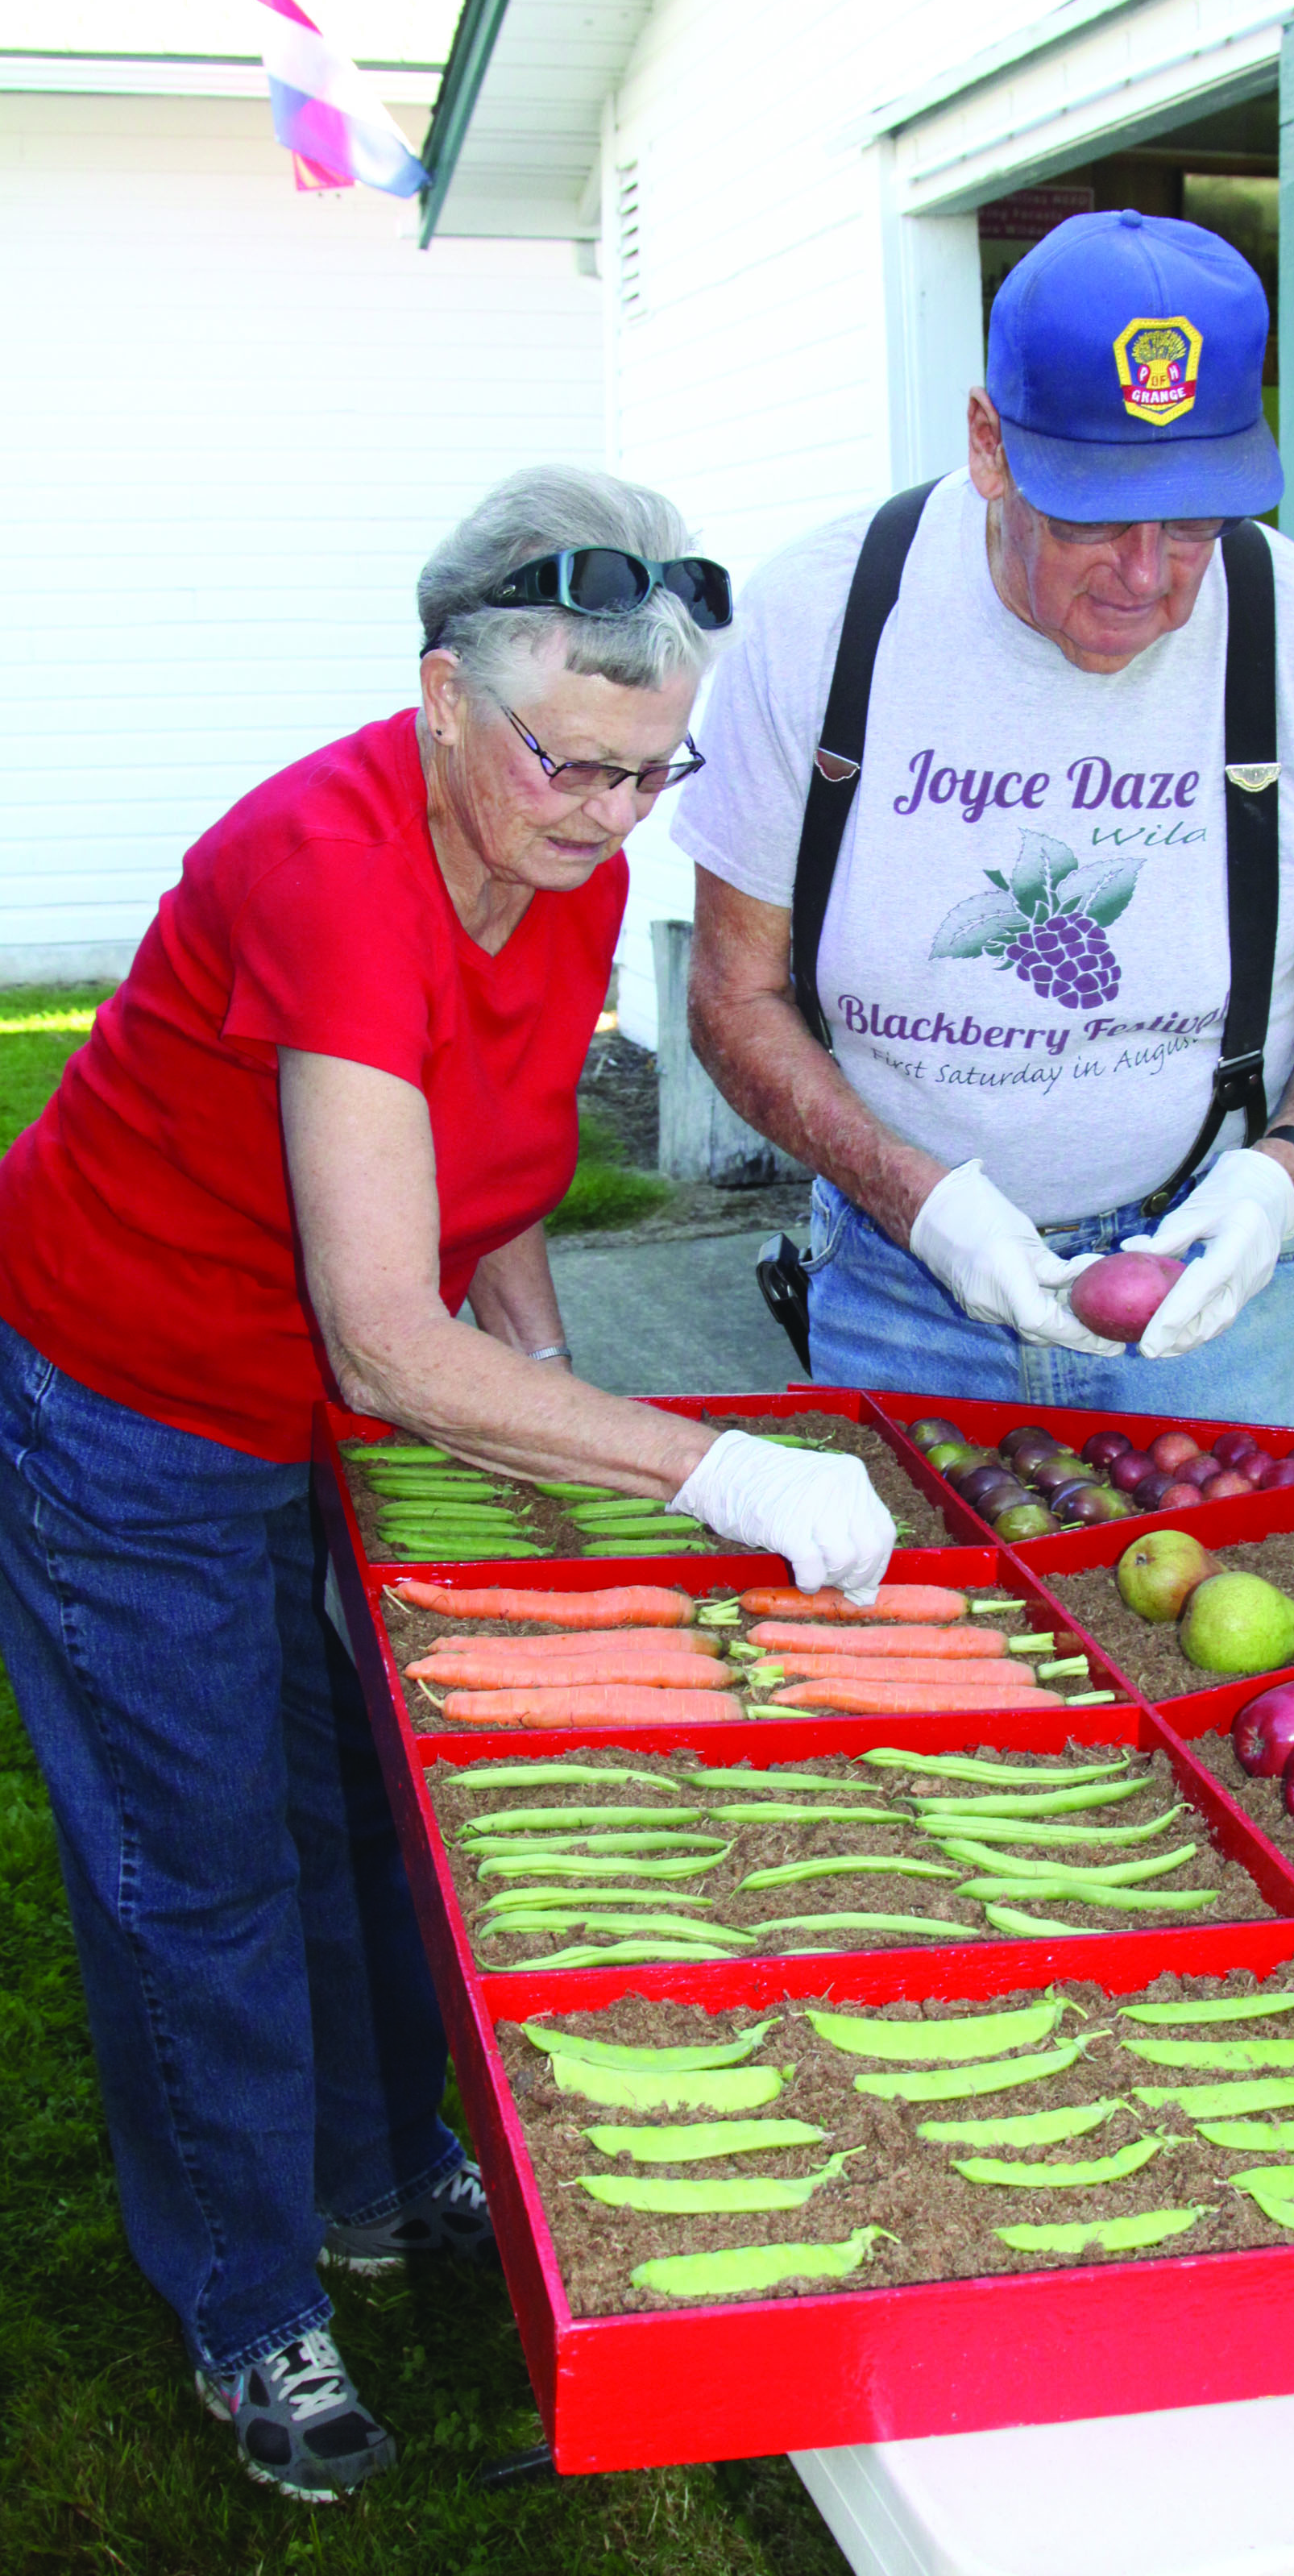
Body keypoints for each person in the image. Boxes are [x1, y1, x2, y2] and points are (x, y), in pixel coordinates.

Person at [0, 467, 892, 2501]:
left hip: (310, 1387)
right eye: (579, 763)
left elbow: (481, 1158)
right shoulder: (327, 868)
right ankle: (248, 2308)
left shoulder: (559, 844)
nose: (614, 817)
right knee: (191, 1854)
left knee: (360, 1793)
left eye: (654, 774)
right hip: (127, 1388)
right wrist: (711, 1466)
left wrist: (556, 1382)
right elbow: (394, 1338)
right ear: (439, 693)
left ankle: (380, 2168)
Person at [678, 209, 1294, 1418]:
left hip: (1216, 1300)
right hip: (904, 1286)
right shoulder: (822, 620)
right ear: (988, 443)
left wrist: (1282, 1174)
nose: (1146, 576)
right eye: (1091, 513)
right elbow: (730, 993)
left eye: (1193, 521)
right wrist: (918, 1199)